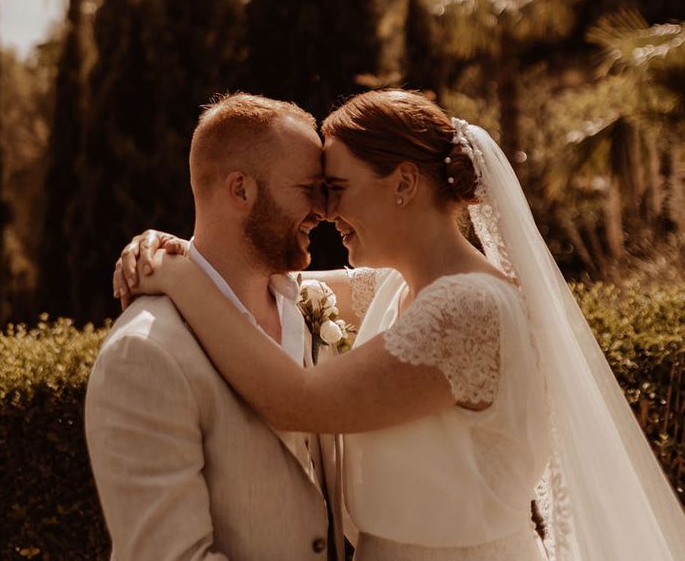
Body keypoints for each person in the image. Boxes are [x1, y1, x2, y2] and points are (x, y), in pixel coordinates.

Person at [121, 89, 685, 560]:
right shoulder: (400, 285)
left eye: (336, 189)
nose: (325, 213)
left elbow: (299, 401)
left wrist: (179, 279)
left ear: (403, 184)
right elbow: (265, 281)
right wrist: (170, 248)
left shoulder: (467, 309)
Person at [85, 93, 347, 561]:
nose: (324, 212)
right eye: (309, 189)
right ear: (241, 190)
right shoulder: (143, 353)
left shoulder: (305, 306)